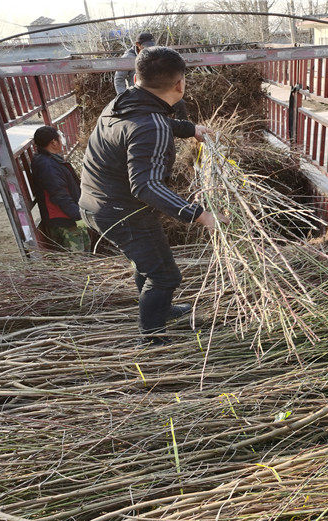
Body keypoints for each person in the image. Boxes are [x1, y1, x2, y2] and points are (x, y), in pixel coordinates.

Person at [80, 46, 228, 345]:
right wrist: (201, 215)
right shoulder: (152, 125)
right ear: (180, 85)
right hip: (123, 211)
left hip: (98, 203)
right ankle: (152, 339)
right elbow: (146, 186)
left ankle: (162, 308)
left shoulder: (122, 103)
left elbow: (150, 124)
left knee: (149, 265)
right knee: (165, 276)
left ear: (136, 78)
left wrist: (190, 129)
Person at [31, 126, 90, 252]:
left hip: (68, 217)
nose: (62, 141)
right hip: (64, 221)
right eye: (60, 138)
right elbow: (59, 195)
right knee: (77, 260)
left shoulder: (50, 160)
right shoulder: (47, 166)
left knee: (86, 252)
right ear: (53, 142)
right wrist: (78, 216)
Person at [114, 32, 188, 119]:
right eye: (146, 46)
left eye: (151, 46)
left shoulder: (155, 54)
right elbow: (119, 79)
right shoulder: (128, 58)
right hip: (139, 94)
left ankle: (182, 130)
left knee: (179, 103)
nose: (149, 48)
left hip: (157, 91)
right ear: (138, 45)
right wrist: (124, 98)